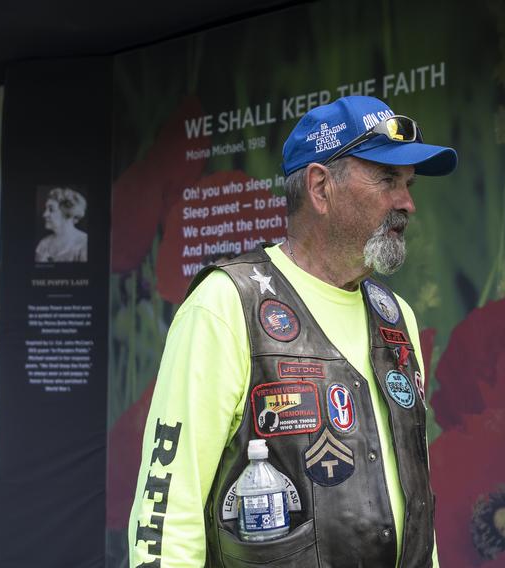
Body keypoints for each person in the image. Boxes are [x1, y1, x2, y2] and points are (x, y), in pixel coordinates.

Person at [129, 96, 457, 567]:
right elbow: (165, 514)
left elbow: (415, 504)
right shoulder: (227, 304)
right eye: (388, 179)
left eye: (408, 183)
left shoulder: (395, 315)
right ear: (321, 188)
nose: (407, 202)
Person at [35, 187, 88, 262]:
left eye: (51, 209)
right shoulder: (43, 244)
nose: (44, 214)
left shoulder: (84, 243)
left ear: (68, 212)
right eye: (45, 209)